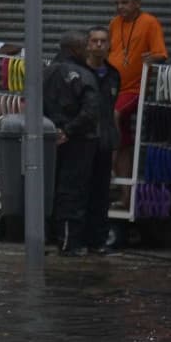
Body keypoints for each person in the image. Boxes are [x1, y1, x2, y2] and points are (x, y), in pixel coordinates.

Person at [108, 0, 167, 219]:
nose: (120, 7)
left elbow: (161, 54)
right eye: (118, 3)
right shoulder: (114, 23)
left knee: (112, 118)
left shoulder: (150, 22)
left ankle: (104, 159)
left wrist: (149, 58)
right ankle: (124, 196)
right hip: (112, 87)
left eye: (125, 3)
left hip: (133, 89)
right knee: (122, 145)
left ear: (137, 4)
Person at [45, 31, 101, 257]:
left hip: (48, 139)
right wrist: (68, 131)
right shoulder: (83, 74)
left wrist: (53, 131)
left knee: (49, 188)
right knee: (73, 191)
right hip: (79, 140)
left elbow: (29, 104)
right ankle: (69, 243)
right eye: (86, 46)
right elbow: (91, 111)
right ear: (76, 49)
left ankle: (47, 237)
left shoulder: (44, 72)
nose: (89, 50)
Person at [83, 25, 122, 255]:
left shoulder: (113, 74)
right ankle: (77, 240)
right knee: (79, 191)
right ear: (88, 45)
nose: (98, 45)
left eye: (103, 41)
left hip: (104, 142)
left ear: (109, 46)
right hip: (82, 141)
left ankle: (98, 241)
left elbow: (111, 110)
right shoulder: (78, 72)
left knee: (100, 193)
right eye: (94, 41)